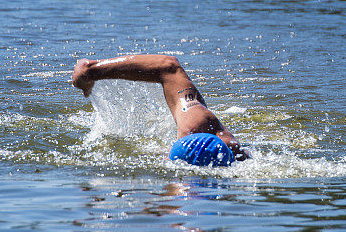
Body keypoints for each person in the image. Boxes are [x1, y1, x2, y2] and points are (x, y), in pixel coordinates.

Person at [71, 54, 249, 166]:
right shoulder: (233, 153)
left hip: (198, 134)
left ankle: (90, 71)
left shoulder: (197, 125)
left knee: (170, 68)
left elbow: (168, 65)